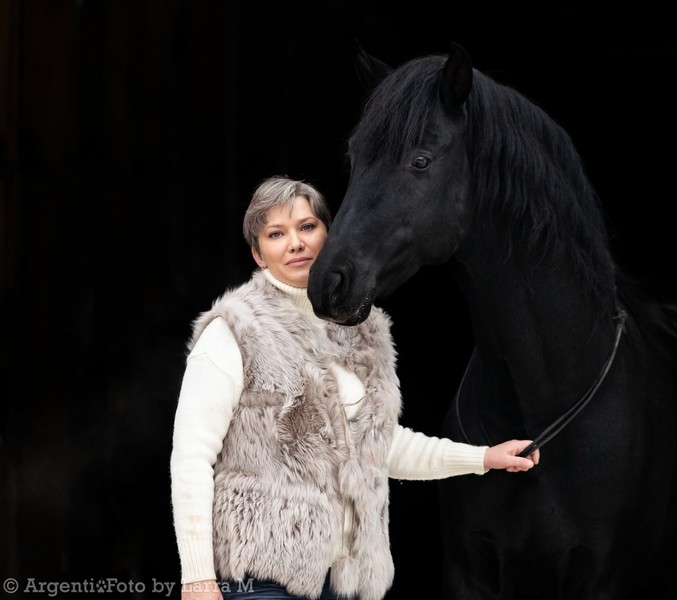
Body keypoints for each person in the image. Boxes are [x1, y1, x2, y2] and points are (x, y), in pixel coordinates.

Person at [170, 176, 540, 600]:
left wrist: (484, 457)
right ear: (258, 253)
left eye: (307, 227)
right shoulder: (234, 330)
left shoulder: (362, 330)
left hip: (347, 583)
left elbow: (380, 445)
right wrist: (197, 577)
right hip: (263, 579)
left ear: (329, 234)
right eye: (276, 234)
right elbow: (191, 459)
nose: (295, 243)